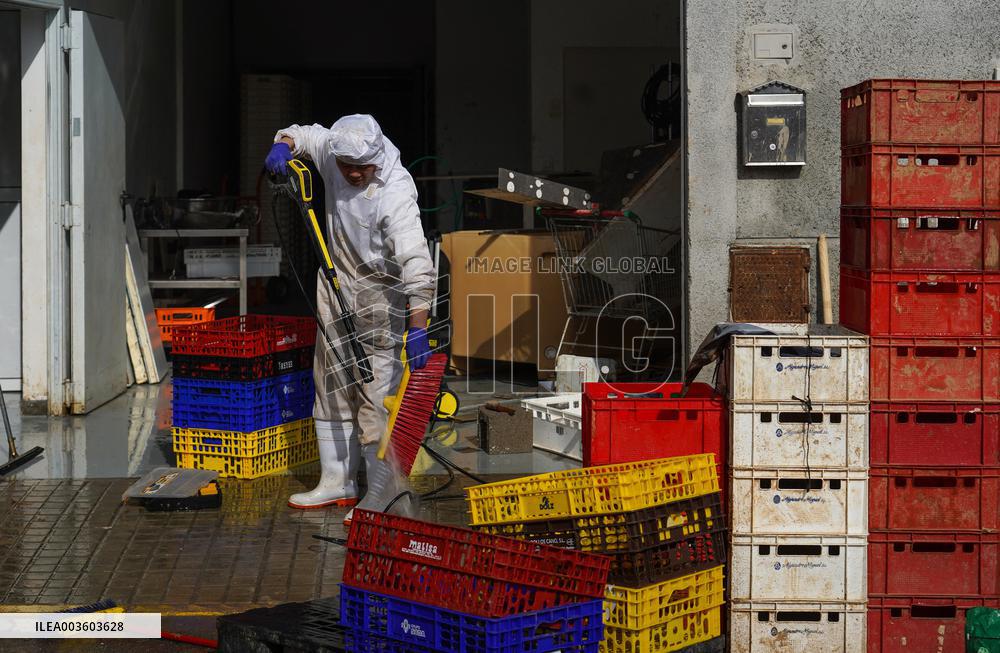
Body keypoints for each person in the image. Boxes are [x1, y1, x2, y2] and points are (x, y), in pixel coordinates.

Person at [263, 114, 434, 524]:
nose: (354, 174)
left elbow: (417, 262)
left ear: (377, 159)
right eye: (346, 167)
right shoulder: (333, 150)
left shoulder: (394, 192)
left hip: (382, 291)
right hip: (335, 277)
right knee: (332, 379)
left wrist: (418, 327)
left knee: (376, 391)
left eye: (364, 167)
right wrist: (283, 145)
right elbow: (303, 135)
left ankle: (381, 493)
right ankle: (337, 480)